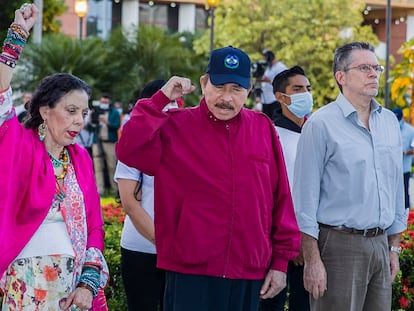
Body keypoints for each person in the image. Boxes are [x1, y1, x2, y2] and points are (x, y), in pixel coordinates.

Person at [116, 46, 301, 311]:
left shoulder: (262, 128)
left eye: (236, 89)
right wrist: (159, 99)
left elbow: (280, 198)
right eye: (219, 86)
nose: (226, 98)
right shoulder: (175, 125)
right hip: (190, 271)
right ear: (203, 84)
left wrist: (280, 263)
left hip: (248, 272)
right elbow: (129, 149)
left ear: (249, 91)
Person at [0, 4, 109, 311]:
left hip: (75, 289)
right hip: (27, 283)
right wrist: (17, 35)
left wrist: (88, 284)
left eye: (84, 113)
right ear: (46, 111)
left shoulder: (81, 159)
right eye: (71, 111)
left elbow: (95, 226)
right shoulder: (18, 144)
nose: (79, 121)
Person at [293, 42, 408, 311]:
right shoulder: (321, 124)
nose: (374, 74)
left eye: (376, 67)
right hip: (339, 246)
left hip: (380, 245)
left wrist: (393, 248)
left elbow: (395, 187)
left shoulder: (389, 122)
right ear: (340, 77)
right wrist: (312, 260)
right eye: (364, 67)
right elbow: (304, 198)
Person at [114, 79, 177, 311]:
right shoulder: (133, 145)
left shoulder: (185, 145)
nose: (172, 108)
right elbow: (130, 203)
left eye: (176, 102)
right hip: (141, 249)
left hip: (180, 253)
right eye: (166, 101)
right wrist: (164, 244)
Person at [260, 66, 312, 311]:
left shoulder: (316, 133)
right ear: (280, 96)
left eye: (308, 89)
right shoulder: (271, 135)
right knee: (271, 300)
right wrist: (295, 238)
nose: (306, 94)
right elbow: (279, 193)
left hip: (312, 239)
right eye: (298, 89)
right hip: (278, 240)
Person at [90, 93, 120, 195]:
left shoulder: (114, 112)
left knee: (112, 165)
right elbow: (91, 126)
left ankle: (115, 189)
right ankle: (100, 190)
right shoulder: (96, 111)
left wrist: (107, 122)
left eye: (105, 102)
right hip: (97, 142)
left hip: (110, 142)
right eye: (102, 102)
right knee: (98, 166)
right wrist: (92, 118)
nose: (104, 104)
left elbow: (117, 126)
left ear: (109, 102)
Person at [393, 107, 414, 209]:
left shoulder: (411, 131)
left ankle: (408, 220)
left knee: (405, 193)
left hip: (404, 169)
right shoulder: (389, 128)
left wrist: (404, 152)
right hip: (391, 169)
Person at [257, 50, 287, 119]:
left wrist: (269, 81)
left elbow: (284, 82)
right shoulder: (268, 68)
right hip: (265, 100)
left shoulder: (280, 67)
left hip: (275, 100)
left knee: (275, 120)